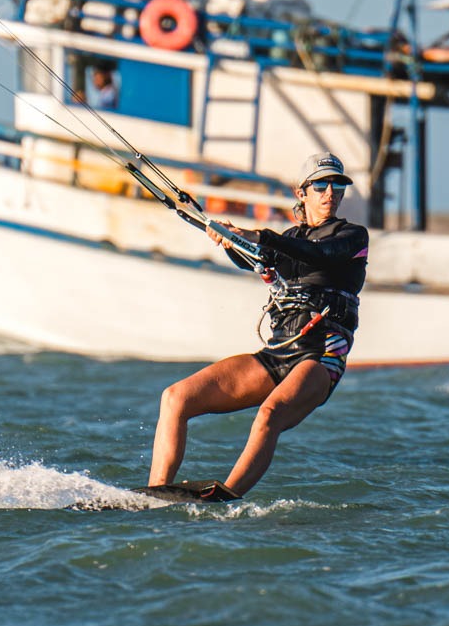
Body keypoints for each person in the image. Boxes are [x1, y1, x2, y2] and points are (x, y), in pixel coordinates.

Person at [147, 152, 368, 499]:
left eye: (337, 185)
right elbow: (257, 257)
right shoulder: (291, 237)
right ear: (302, 192)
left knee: (270, 414)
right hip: (278, 354)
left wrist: (260, 236)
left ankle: (226, 498)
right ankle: (154, 493)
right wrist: (228, 239)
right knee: (175, 398)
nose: (330, 193)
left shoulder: (352, 236)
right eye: (321, 185)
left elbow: (318, 255)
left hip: (321, 356)